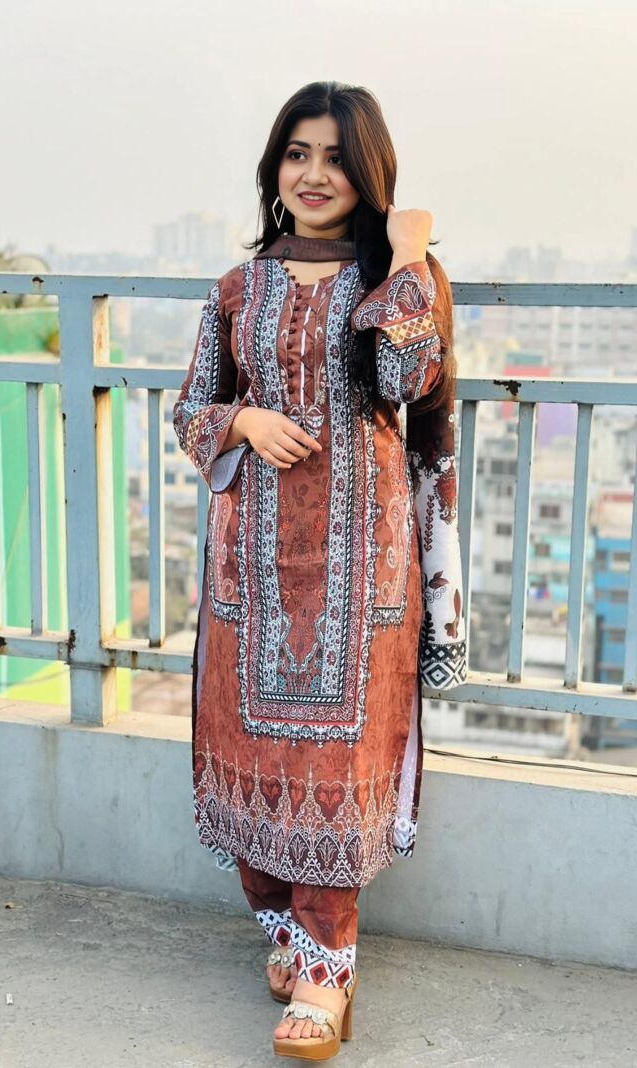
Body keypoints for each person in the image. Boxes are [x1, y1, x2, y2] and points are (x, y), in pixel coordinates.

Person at [173, 80, 467, 1062]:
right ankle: (286, 930)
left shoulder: (401, 280)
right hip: (250, 571)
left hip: (361, 573)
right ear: (275, 168)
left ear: (369, 173)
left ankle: (326, 973)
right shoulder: (236, 288)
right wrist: (242, 421)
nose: (313, 175)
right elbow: (190, 409)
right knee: (250, 753)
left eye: (336, 158)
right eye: (297, 154)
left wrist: (409, 254)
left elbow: (407, 381)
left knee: (337, 765)